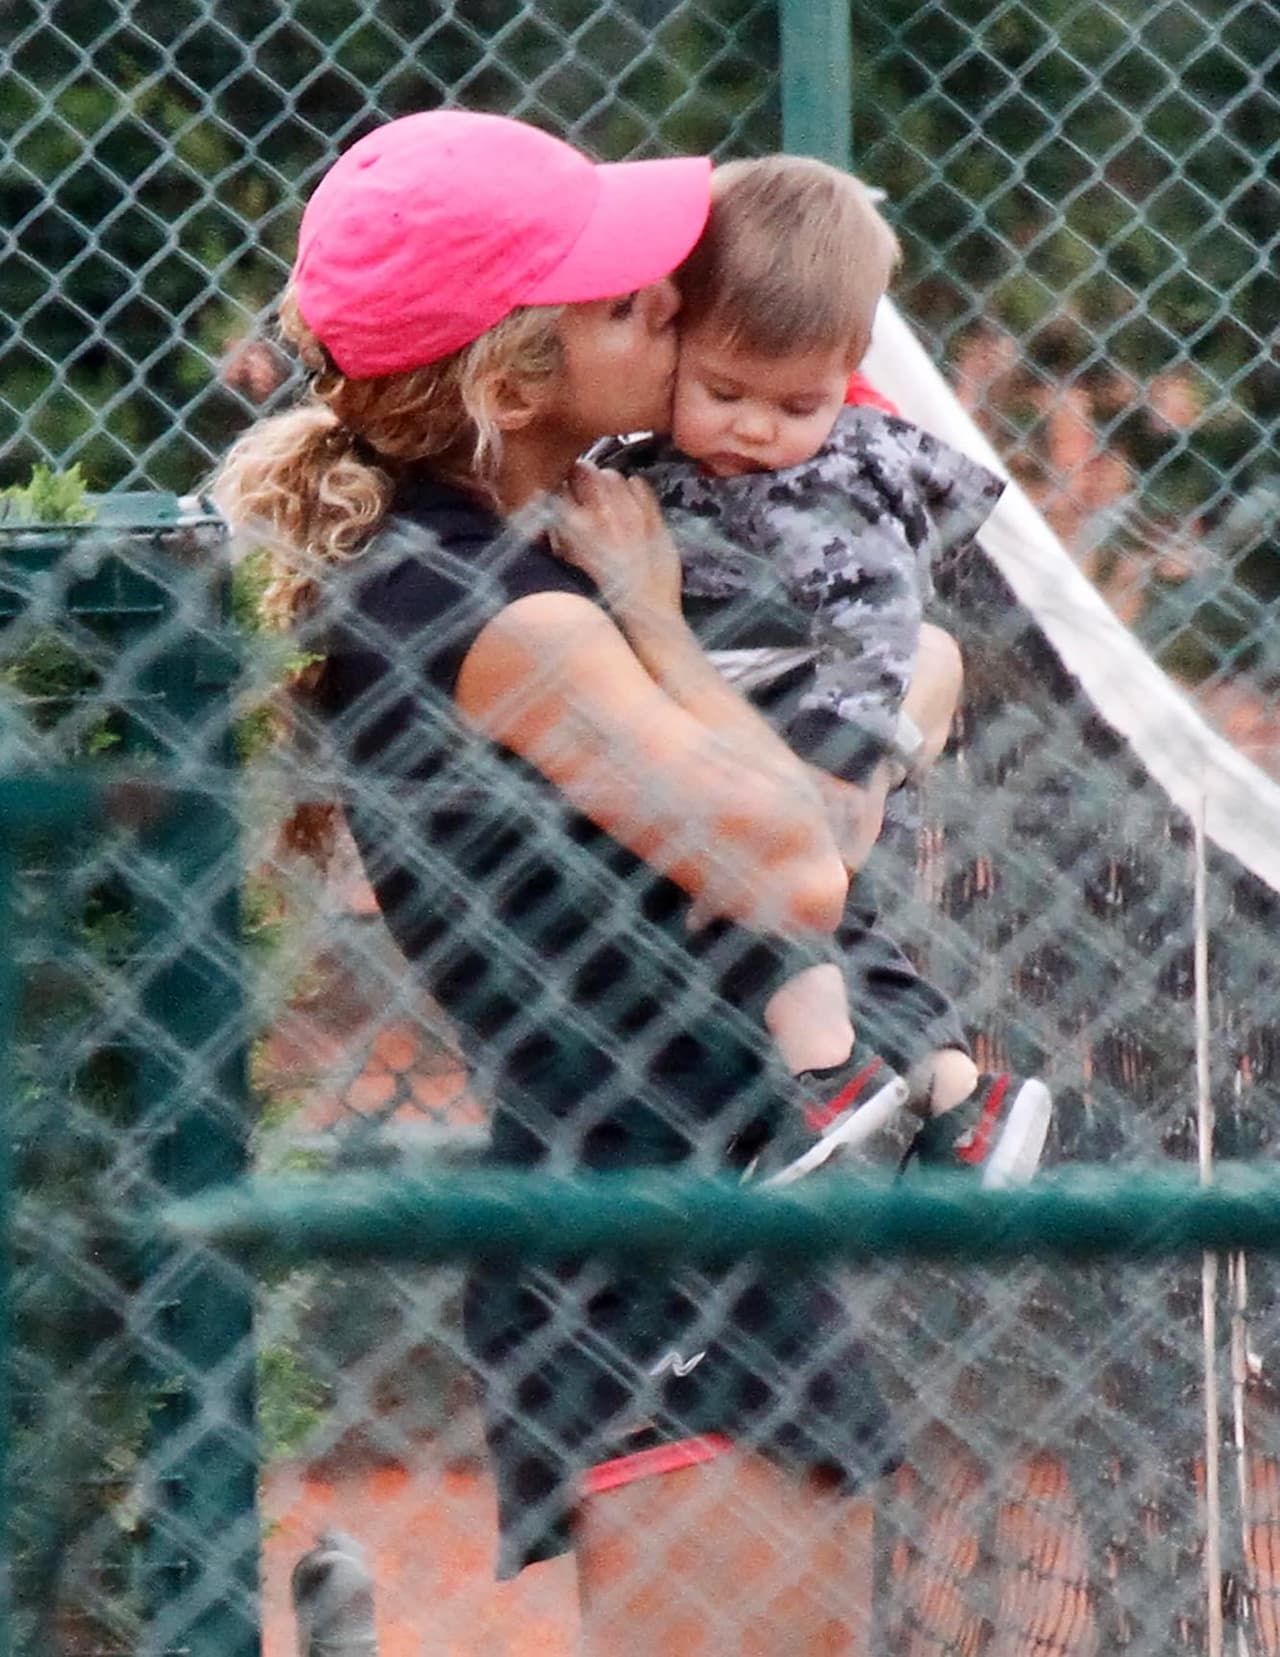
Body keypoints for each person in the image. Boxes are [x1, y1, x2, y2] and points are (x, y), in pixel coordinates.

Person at [213, 109, 910, 1649]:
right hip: (652, 1238)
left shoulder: (487, 556)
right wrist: (662, 616)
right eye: (618, 302)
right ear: (513, 378)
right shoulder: (497, 612)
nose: (668, 301)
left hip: (682, 1198)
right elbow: (801, 864)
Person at [597, 155, 1053, 1186]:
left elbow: (878, 616)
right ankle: (958, 1094)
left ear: (847, 373)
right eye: (723, 393)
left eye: (796, 403)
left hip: (804, 714)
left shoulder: (836, 476)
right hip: (758, 691)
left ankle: (829, 1075)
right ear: (673, 339)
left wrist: (840, 765)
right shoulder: (668, 450)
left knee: (743, 884)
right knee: (841, 922)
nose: (757, 429)